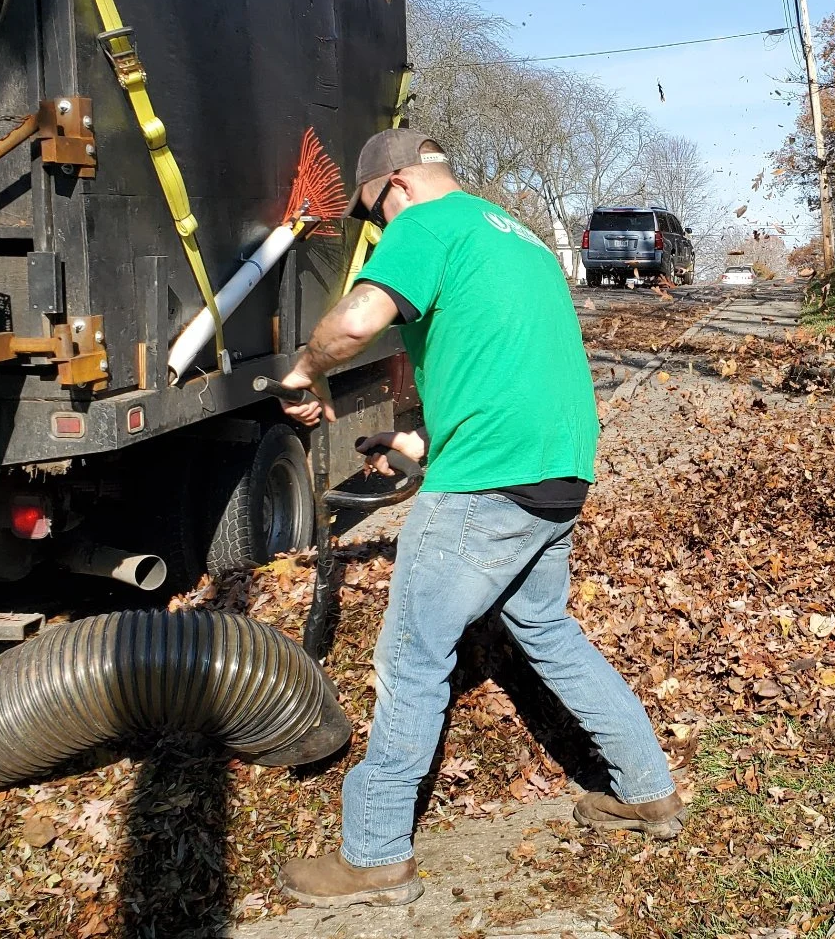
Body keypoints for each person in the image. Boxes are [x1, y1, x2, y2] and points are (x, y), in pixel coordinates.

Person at [274, 129, 682, 907]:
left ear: (393, 186)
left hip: (489, 482)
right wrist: (414, 443)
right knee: (549, 633)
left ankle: (375, 855)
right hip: (557, 470)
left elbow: (357, 321)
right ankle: (646, 790)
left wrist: (302, 367)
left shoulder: (423, 226)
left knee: (412, 659)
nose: (382, 233)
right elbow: (502, 368)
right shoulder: (517, 238)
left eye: (375, 216)